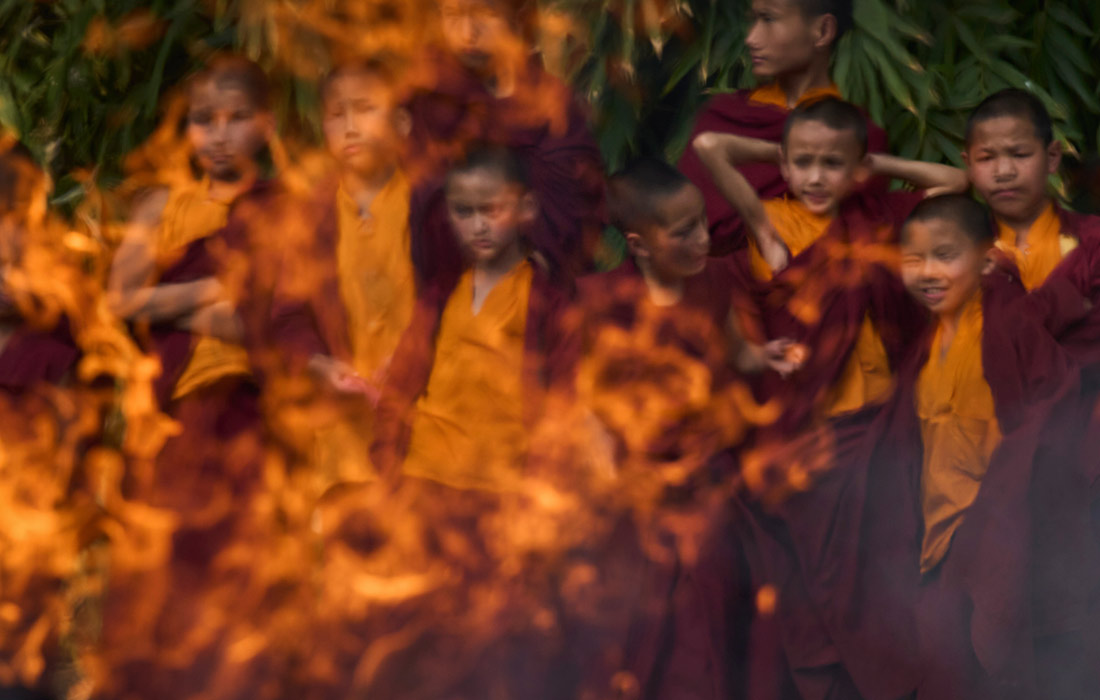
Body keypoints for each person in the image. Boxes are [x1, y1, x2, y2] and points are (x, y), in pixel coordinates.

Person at [571, 158, 800, 700]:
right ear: (639, 244)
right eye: (683, 232)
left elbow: (735, 351)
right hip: (640, 484)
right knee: (640, 620)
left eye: (701, 222)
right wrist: (608, 476)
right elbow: (587, 401)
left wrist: (765, 355)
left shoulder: (713, 280)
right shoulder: (601, 300)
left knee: (713, 609)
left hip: (707, 478)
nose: (703, 239)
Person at [882, 194, 1099, 699]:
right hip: (939, 540)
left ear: (985, 261)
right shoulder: (923, 346)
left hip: (998, 537)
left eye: (945, 256)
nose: (928, 272)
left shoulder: (1012, 327)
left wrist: (997, 513)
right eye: (914, 259)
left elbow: (1054, 413)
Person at [371, 145, 575, 490]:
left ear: (526, 208)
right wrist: (387, 461)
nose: (478, 226)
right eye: (463, 211)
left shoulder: (547, 304)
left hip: (503, 484)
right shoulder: (440, 296)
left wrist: (540, 487)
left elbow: (563, 402)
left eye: (491, 210)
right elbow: (400, 384)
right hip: (423, 474)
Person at [268, 57, 418, 483]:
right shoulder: (310, 217)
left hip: (428, 415)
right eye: (336, 114)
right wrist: (319, 364)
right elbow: (288, 316)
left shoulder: (432, 204)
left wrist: (416, 352)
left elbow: (459, 296)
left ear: (402, 122)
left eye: (366, 109)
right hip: (348, 429)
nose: (350, 126)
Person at [404, 0, 605, 288]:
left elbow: (576, 210)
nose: (467, 32)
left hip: (531, 288)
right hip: (446, 288)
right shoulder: (426, 99)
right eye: (452, 14)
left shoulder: (550, 105)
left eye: (486, 14)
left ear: (517, 16)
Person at [678, 0, 889, 257]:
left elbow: (850, 249)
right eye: (753, 20)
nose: (751, 38)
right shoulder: (723, 114)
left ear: (823, 31)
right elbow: (673, 226)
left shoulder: (860, 137)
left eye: (769, 19)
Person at [965, 88, 1100, 290]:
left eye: (1020, 154)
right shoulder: (961, 250)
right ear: (969, 166)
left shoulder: (1092, 240)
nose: (1004, 172)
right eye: (986, 158)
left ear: (1052, 157)